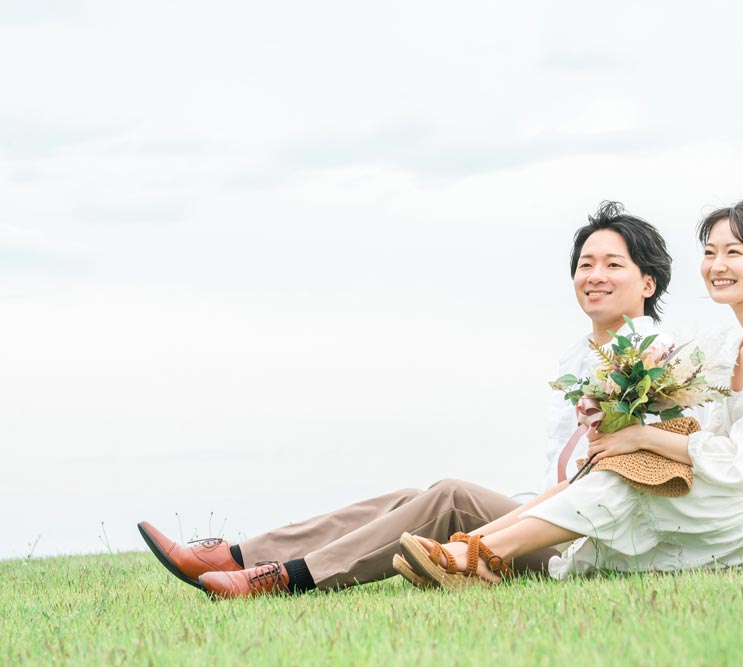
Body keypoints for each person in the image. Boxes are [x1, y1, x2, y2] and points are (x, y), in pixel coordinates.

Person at [137, 200, 674, 598]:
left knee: (452, 496)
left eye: (612, 264)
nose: (594, 276)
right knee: (406, 497)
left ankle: (285, 578)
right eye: (585, 264)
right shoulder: (578, 358)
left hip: (596, 542)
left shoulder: (660, 359)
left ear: (647, 283)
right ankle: (235, 554)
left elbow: (633, 474)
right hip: (549, 514)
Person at [397, 198, 743, 587]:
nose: (717, 266)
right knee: (624, 469)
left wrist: (640, 439)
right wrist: (619, 411)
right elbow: (697, 429)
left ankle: (477, 556)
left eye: (734, 253)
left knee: (633, 473)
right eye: (709, 252)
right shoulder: (724, 344)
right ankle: (469, 551)